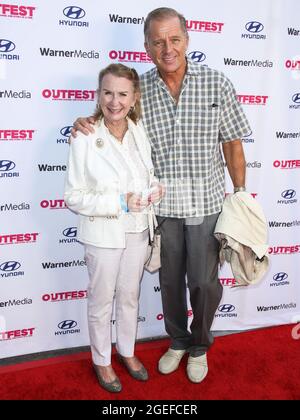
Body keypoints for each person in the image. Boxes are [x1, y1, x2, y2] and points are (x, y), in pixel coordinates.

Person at [72, 7, 251, 384]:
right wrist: (85, 120)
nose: (166, 48)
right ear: (147, 46)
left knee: (204, 284)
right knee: (170, 283)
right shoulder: (140, 92)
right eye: (157, 41)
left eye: (174, 39)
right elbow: (112, 114)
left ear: (187, 40)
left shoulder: (217, 83)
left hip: (206, 205)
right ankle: (178, 339)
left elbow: (233, 144)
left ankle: (200, 345)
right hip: (161, 209)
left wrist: (239, 194)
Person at [64, 63, 164, 393]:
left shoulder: (139, 130)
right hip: (104, 234)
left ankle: (128, 352)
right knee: (102, 301)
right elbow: (73, 196)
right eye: (107, 92)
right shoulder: (84, 136)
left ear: (134, 98)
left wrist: (153, 190)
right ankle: (102, 360)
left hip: (138, 230)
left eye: (123, 94)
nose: (114, 101)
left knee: (130, 298)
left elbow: (145, 175)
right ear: (98, 94)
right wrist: (119, 203)